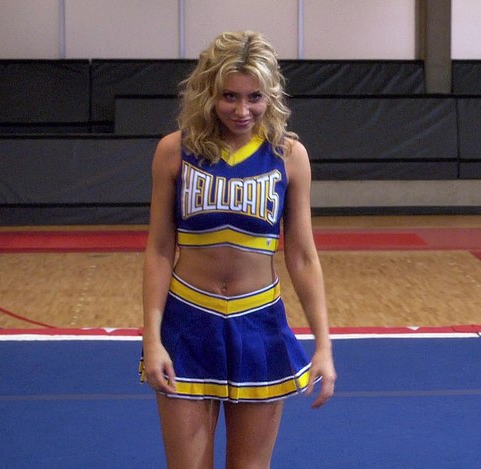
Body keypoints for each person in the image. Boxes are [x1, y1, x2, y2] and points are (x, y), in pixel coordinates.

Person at [140, 30, 336, 468]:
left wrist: (323, 344)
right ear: (208, 92)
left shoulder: (289, 156)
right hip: (188, 322)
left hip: (259, 323)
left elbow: (303, 256)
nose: (242, 110)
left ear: (271, 95)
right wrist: (152, 339)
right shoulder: (174, 152)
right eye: (229, 96)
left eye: (254, 97)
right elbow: (158, 250)